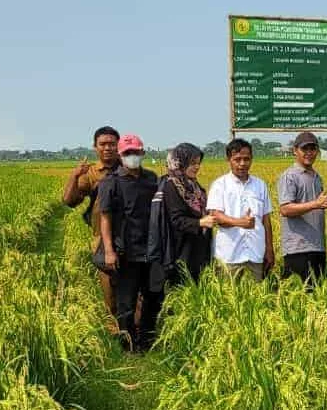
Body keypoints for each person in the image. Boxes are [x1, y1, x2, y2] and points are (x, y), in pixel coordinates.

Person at [97, 133, 162, 351]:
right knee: (126, 300)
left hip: (150, 249)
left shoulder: (152, 179)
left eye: (136, 152)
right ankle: (127, 344)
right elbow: (105, 217)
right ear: (120, 155)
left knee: (153, 296)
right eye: (128, 153)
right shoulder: (111, 183)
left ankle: (147, 340)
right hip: (125, 250)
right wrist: (109, 250)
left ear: (142, 153)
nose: (132, 156)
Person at [61, 125, 120, 322]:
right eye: (103, 144)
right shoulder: (92, 174)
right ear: (95, 147)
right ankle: (115, 336)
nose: (108, 148)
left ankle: (135, 336)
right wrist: (75, 175)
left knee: (135, 291)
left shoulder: (129, 169)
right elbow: (70, 201)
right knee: (109, 293)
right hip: (102, 241)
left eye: (112, 144)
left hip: (131, 238)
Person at [206, 138, 274, 282]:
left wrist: (269, 249)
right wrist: (240, 222)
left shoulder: (260, 185)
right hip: (229, 256)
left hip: (256, 254)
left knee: (256, 299)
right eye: (237, 159)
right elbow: (215, 216)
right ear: (228, 159)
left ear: (251, 159)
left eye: (246, 159)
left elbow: (266, 220)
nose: (242, 164)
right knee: (227, 300)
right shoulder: (220, 185)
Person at [277, 132, 327, 285]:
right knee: (298, 298)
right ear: (295, 150)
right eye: (304, 149)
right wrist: (316, 204)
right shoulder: (290, 176)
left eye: (312, 149)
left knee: (317, 296)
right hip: (298, 248)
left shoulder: (316, 177)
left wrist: (324, 202)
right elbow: (285, 209)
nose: (309, 153)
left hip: (318, 246)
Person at [160, 143, 215, 284]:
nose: (197, 167)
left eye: (198, 163)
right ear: (180, 163)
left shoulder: (195, 186)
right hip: (181, 250)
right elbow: (176, 220)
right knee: (181, 291)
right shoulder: (171, 186)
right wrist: (200, 222)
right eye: (192, 163)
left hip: (199, 248)